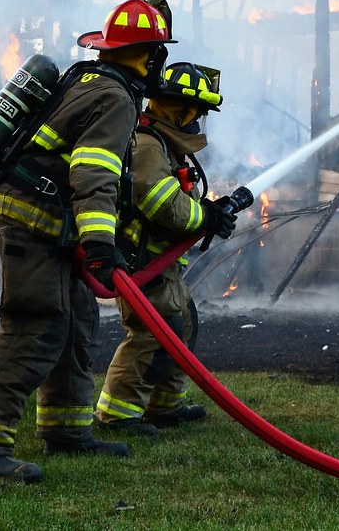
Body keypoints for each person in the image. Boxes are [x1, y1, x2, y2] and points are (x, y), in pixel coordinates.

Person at [0, 0, 176, 483]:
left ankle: (67, 430)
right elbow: (94, 172)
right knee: (35, 326)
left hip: (44, 222)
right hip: (33, 223)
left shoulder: (85, 79)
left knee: (75, 320)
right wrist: (101, 243)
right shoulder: (115, 98)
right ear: (150, 55)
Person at [95, 62, 235, 438]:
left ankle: (165, 403)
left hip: (158, 261)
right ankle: (117, 412)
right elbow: (161, 203)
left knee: (182, 322)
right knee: (155, 331)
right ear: (181, 108)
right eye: (197, 112)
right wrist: (204, 217)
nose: (198, 121)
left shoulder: (162, 145)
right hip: (140, 261)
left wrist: (209, 213)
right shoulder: (146, 144)